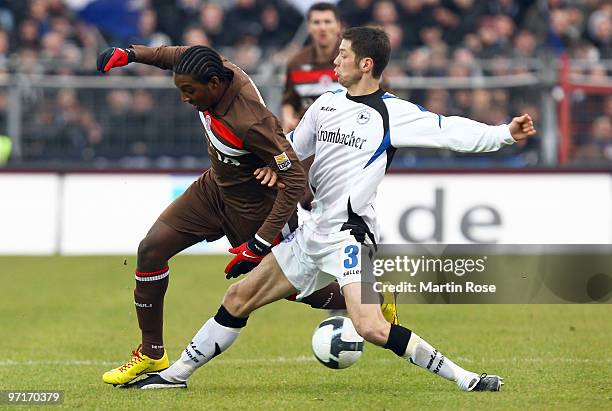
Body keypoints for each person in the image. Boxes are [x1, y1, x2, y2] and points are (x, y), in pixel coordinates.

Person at [124, 26, 536, 391]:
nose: (334, 60)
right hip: (312, 229)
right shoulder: (325, 104)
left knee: (371, 327)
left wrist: (503, 134)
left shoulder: (392, 113)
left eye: (343, 54)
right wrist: (274, 168)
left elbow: (451, 131)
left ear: (366, 63)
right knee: (238, 297)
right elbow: (292, 150)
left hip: (350, 235)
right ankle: (174, 376)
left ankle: (466, 380)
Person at [96, 44, 362, 386]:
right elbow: (172, 56)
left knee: (298, 289)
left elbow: (294, 177)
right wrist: (131, 54)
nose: (185, 98)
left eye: (189, 91)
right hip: (214, 190)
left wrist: (259, 241)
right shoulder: (208, 68)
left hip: (255, 208)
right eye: (181, 89)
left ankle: (369, 301)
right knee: (151, 249)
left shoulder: (249, 120)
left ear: (215, 85)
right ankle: (151, 352)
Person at [282, 2, 342, 133]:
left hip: (346, 136)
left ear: (338, 26)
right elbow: (289, 101)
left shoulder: (353, 59)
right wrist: (288, 119)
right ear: (308, 27)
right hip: (307, 137)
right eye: (316, 22)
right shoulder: (296, 62)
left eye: (327, 22)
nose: (322, 27)